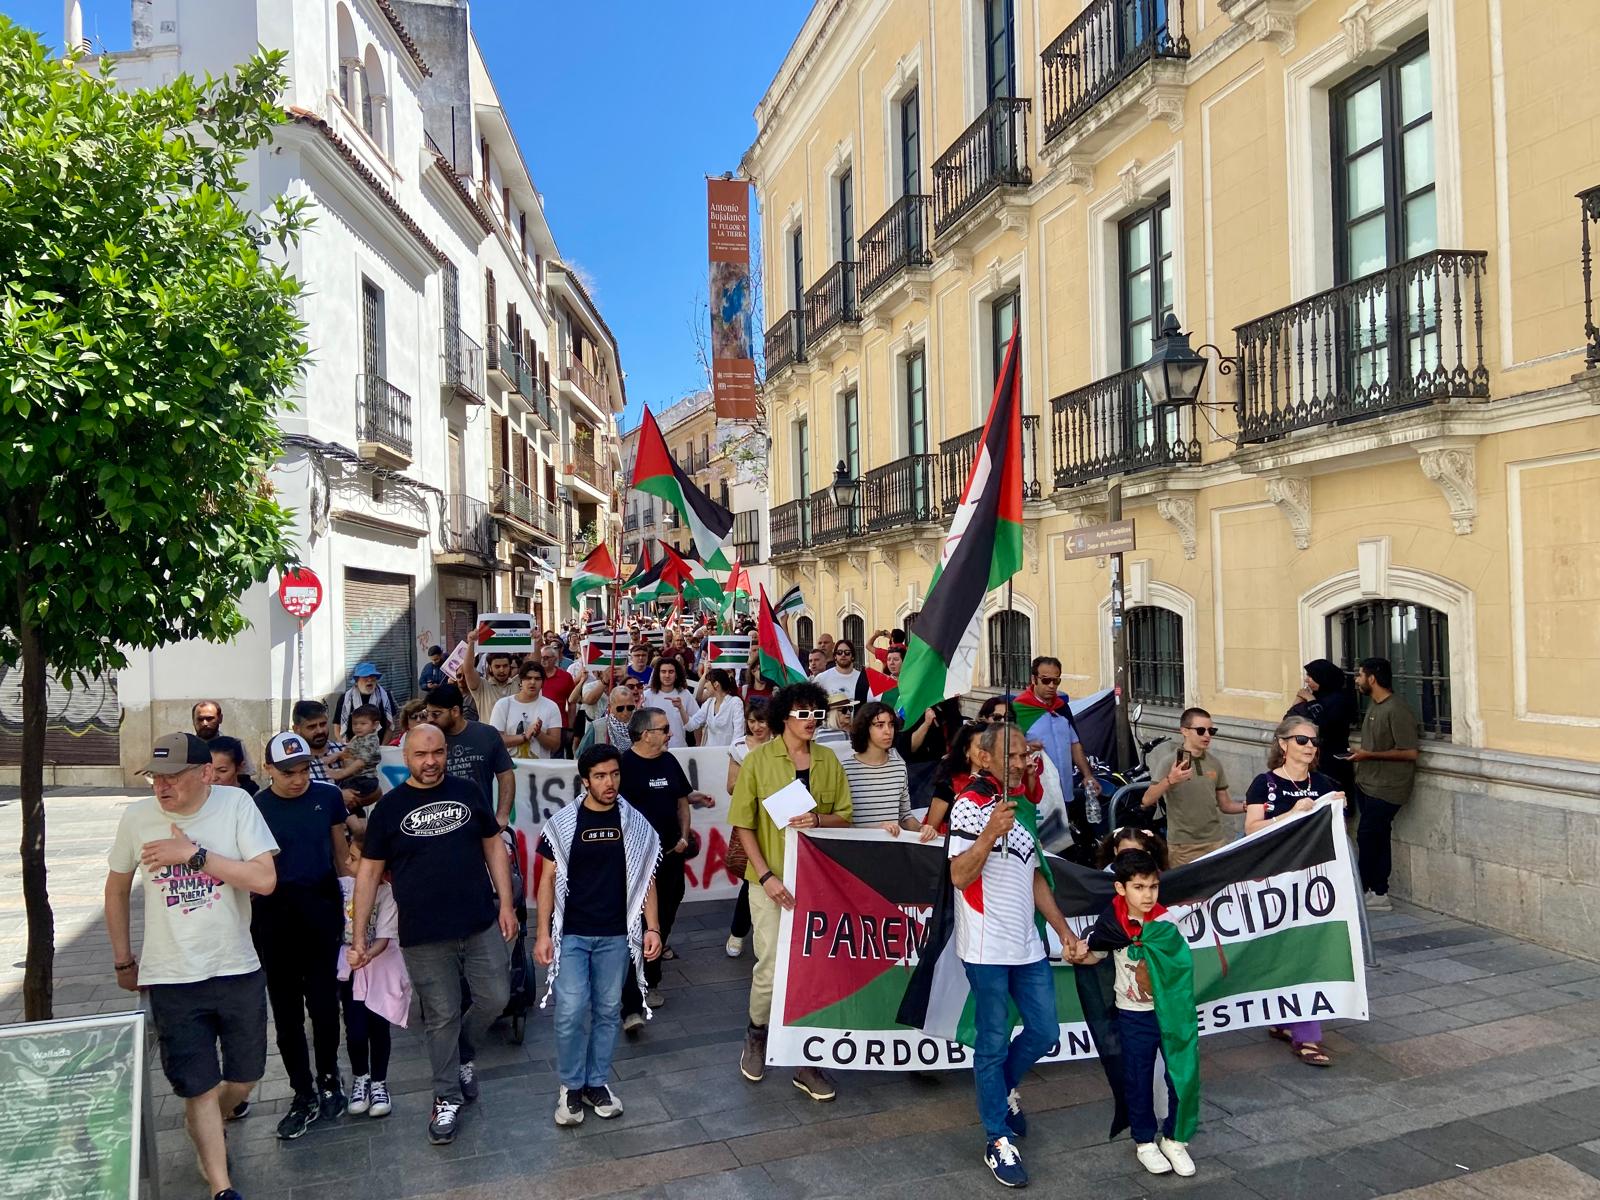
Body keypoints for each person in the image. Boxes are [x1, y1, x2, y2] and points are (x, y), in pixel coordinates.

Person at [104, 733, 278, 1200]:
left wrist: (194, 856)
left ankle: (207, 1125)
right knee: (197, 1085)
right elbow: (116, 887)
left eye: (173, 777)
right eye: (155, 778)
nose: (161, 788)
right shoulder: (138, 818)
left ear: (205, 773)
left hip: (236, 965)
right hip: (172, 974)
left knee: (244, 1078)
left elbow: (264, 880)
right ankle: (222, 1186)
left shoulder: (237, 804)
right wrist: (123, 957)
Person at [352, 724, 515, 1146]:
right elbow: (369, 873)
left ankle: (462, 1053)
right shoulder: (389, 809)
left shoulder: (468, 792)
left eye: (438, 753)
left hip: (479, 921)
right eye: (422, 754)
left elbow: (493, 845)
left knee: (496, 997)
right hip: (423, 935)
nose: (431, 762)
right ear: (405, 757)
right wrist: (358, 936)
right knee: (440, 1015)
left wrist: (508, 903)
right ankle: (445, 1096)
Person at [946, 724, 1080, 1189]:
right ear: (983, 759)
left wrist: (1063, 930)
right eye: (1014, 755)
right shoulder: (969, 805)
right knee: (992, 1040)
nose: (1023, 763)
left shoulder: (1020, 806)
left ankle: (1000, 1089)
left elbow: (1036, 876)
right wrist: (985, 837)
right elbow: (959, 877)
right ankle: (996, 1137)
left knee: (1045, 1031)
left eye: (1026, 755)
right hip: (985, 947)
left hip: (1027, 944)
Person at [729, 682, 852, 1102]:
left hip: (819, 883)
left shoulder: (830, 760)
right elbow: (743, 824)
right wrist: (765, 876)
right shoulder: (759, 761)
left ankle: (805, 1059)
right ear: (785, 716)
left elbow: (845, 817)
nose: (811, 721)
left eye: (817, 714)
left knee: (814, 968)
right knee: (771, 965)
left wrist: (819, 822)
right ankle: (757, 1034)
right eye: (803, 714)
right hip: (771, 882)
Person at [537, 745, 665, 1127]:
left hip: (616, 935)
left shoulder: (635, 823)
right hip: (573, 934)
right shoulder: (562, 824)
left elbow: (647, 878)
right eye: (600, 776)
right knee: (572, 1010)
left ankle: (597, 1083)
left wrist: (652, 926)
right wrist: (542, 933)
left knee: (609, 1011)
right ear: (585, 781)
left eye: (614, 774)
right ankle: (570, 1086)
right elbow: (545, 881)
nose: (610, 783)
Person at [250, 732, 351, 1138]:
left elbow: (341, 857)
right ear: (268, 768)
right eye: (287, 771)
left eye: (303, 769)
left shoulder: (328, 797)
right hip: (274, 917)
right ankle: (301, 1091)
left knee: (325, 1006)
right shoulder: (255, 807)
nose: (297, 778)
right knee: (286, 1012)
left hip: (322, 912)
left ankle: (329, 1078)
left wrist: (358, 908)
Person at [1080, 849, 1200, 1179]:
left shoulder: (1165, 922)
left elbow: (1180, 966)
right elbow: (1095, 953)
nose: (1147, 895)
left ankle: (1176, 1139)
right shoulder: (1110, 923)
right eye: (1138, 887)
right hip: (1132, 1015)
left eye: (1153, 887)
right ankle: (1145, 1141)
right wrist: (1077, 953)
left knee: (1181, 1074)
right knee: (1137, 1077)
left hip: (1170, 1014)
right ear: (1121, 889)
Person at [1245, 714, 1346, 1067]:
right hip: (1274, 879)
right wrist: (1289, 814)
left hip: (1314, 883)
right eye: (1302, 740)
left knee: (1307, 950)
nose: (1310, 747)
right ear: (1283, 744)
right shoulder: (1265, 784)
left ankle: (1307, 1035)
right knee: (1280, 948)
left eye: (1314, 742)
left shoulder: (1323, 783)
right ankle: (1283, 1016)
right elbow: (1251, 829)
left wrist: (1338, 807)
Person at [618, 706, 710, 1030]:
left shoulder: (670, 762)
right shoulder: (623, 767)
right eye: (664, 729)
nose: (670, 734)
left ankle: (651, 974)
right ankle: (636, 990)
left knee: (665, 916)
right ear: (646, 735)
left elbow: (681, 801)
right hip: (637, 863)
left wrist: (684, 836)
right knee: (637, 922)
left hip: (671, 856)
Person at [337, 823, 408, 1120]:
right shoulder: (342, 886)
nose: (348, 863)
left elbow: (385, 936)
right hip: (350, 968)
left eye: (355, 859)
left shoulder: (388, 894)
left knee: (378, 1028)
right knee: (354, 1029)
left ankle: (379, 1082)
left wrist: (366, 952)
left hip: (378, 969)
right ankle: (360, 1078)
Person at [1350, 658, 1420, 913]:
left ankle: (1375, 890)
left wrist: (1368, 755)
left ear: (1372, 678)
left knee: (1369, 836)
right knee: (1374, 837)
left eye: (1360, 675)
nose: (1356, 680)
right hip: (1367, 782)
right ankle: (1374, 890)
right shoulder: (1374, 706)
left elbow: (1410, 752)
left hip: (1388, 787)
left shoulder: (1396, 709)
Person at [1141, 708, 1244, 866]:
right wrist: (1170, 779)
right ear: (1184, 731)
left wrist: (1250, 806)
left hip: (1216, 842)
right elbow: (1147, 800)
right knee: (1187, 890)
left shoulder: (1214, 763)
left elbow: (1225, 805)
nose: (1207, 735)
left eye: (1211, 730)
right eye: (1201, 730)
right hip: (1183, 846)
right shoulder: (1169, 762)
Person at [423, 684, 516, 827]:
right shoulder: (427, 739)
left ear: (455, 711)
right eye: (427, 713)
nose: (429, 719)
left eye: (436, 714)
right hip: (439, 826)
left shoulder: (487, 734)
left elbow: (506, 775)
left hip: (481, 824)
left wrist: (502, 815)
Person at [1018, 656, 1101, 807]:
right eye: (1045, 680)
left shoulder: (1062, 707)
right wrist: (1027, 748)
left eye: (1056, 681)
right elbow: (1008, 749)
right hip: (1036, 791)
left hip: (1065, 789)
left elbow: (1074, 744)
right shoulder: (1018, 709)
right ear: (1033, 679)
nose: (1051, 685)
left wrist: (1088, 775)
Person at [724, 698, 771, 958]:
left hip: (779, 818)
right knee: (752, 880)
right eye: (752, 721)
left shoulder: (782, 743)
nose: (757, 727)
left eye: (761, 721)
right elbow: (731, 786)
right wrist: (754, 771)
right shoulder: (739, 746)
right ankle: (738, 932)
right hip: (750, 820)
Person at [841, 702, 925, 837]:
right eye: (880, 725)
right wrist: (876, 829)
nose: (888, 731)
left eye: (891, 725)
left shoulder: (899, 767)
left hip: (891, 849)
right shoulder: (845, 769)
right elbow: (842, 820)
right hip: (857, 851)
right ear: (865, 728)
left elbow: (904, 816)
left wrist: (922, 829)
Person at [1287, 659, 1358, 794]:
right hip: (1312, 759)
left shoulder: (1338, 700)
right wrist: (1299, 699)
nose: (1307, 680)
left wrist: (1310, 700)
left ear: (1322, 678)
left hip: (1331, 761)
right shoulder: (1316, 698)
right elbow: (1289, 722)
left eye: (1311, 676)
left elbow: (1325, 724)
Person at [490, 661, 563, 761]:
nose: (532, 682)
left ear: (542, 683)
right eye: (528, 678)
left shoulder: (551, 706)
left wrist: (538, 734)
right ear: (521, 681)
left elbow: (555, 745)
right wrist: (524, 736)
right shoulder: (503, 705)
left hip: (540, 771)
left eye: (537, 679)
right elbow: (495, 741)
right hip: (509, 769)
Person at [458, 629, 519, 719]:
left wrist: (536, 642)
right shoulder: (481, 687)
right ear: (490, 667)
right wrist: (471, 643)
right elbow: (468, 669)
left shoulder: (518, 683)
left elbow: (534, 666)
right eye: (497, 666)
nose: (502, 670)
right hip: (489, 733)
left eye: (505, 666)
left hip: (514, 733)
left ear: (510, 666)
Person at [643, 657, 700, 748]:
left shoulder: (685, 694)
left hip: (680, 749)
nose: (667, 675)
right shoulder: (647, 695)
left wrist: (698, 745)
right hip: (653, 750)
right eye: (663, 671)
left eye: (671, 672)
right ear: (658, 674)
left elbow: (697, 721)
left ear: (676, 674)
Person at [193, 700, 259, 777]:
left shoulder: (235, 745)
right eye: (200, 719)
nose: (205, 723)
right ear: (193, 720)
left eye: (209, 719)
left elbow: (245, 775)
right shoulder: (188, 746)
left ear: (220, 719)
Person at [331, 663, 397, 740]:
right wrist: (346, 747)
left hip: (379, 747)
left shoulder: (385, 697)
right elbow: (337, 728)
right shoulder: (345, 699)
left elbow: (390, 726)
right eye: (365, 676)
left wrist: (383, 747)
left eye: (372, 676)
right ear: (356, 681)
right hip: (351, 748)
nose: (369, 680)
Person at [687, 668, 745, 747]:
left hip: (727, 755)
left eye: (707, 682)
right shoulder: (709, 703)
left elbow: (738, 734)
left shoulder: (735, 702)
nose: (705, 685)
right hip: (709, 755)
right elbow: (691, 725)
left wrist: (732, 754)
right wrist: (680, 708)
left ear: (716, 684)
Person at [576, 685, 637, 754]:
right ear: (610, 707)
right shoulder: (597, 727)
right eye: (620, 709)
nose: (625, 712)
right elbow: (581, 755)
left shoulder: (640, 726)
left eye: (630, 708)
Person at [540, 643, 579, 734]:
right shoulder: (534, 677)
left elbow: (572, 703)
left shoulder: (565, 677)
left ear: (554, 658)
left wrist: (570, 728)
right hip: (538, 726)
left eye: (546, 657)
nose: (542, 660)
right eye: (541, 657)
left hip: (559, 726)